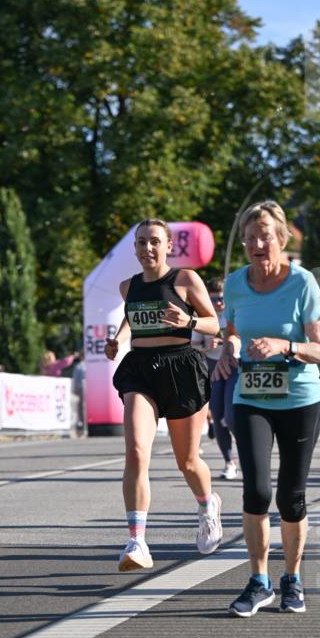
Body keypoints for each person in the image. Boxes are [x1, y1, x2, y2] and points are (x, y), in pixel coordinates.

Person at [214, 201, 320, 617]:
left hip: (300, 399)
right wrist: (227, 351)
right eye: (249, 238)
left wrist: (286, 346)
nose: (256, 244)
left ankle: (292, 579)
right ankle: (259, 581)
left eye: (264, 236)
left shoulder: (303, 283)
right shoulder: (235, 283)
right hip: (251, 397)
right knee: (257, 490)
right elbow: (231, 330)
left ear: (281, 239)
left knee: (291, 496)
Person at [105, 218, 223, 572]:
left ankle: (207, 505)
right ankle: (137, 541)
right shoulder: (128, 286)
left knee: (187, 461)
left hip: (181, 367)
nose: (147, 249)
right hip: (140, 369)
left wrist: (186, 322)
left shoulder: (185, 280)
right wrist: (119, 339)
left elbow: (214, 323)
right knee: (137, 450)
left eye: (154, 241)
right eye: (141, 242)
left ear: (169, 245)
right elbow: (132, 317)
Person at [201, 278, 239, 479]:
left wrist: (225, 341)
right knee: (217, 415)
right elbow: (194, 344)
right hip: (213, 368)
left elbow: (243, 337)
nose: (218, 303)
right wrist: (206, 346)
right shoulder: (206, 317)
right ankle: (229, 461)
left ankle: (247, 450)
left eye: (221, 298)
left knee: (230, 416)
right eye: (213, 299)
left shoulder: (235, 314)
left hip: (234, 367)